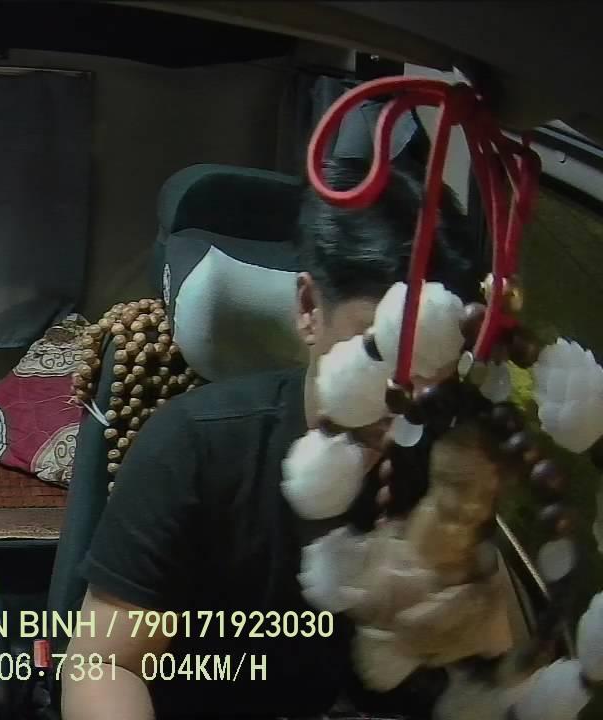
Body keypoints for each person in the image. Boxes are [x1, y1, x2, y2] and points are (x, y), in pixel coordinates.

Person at [61, 158, 482, 719]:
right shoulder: (196, 448)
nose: (411, 389)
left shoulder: (458, 461)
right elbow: (105, 665)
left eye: (433, 356)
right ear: (309, 309)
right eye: (377, 346)